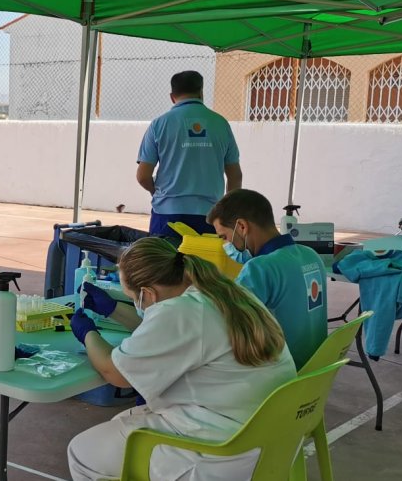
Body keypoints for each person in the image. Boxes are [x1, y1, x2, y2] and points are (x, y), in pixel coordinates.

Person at [67, 237, 295, 481]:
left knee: (82, 452)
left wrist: (87, 333)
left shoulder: (180, 312)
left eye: (132, 297)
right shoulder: (224, 291)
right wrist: (113, 309)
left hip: (223, 451)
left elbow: (115, 373)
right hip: (268, 433)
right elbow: (164, 333)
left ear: (147, 293)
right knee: (122, 421)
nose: (136, 304)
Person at [207, 189, 327, 370]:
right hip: (316, 368)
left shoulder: (260, 268)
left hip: (280, 372)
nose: (226, 245)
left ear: (241, 227)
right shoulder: (311, 255)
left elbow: (224, 323)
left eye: (224, 237)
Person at [137, 70, 241, 237]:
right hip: (210, 216)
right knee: (204, 263)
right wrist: (226, 212)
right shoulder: (221, 124)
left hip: (167, 214)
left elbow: (143, 176)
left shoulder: (159, 124)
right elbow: (235, 176)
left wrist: (156, 191)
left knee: (164, 262)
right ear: (201, 92)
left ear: (172, 96)